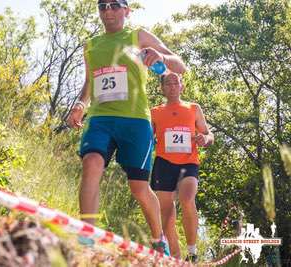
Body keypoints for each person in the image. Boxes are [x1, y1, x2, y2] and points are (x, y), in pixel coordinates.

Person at [66, 0, 186, 254]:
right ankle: (87, 241)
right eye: (102, 6)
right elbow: (89, 83)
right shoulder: (91, 45)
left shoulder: (137, 35)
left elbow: (180, 66)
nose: (108, 11)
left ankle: (158, 239)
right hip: (100, 118)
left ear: (126, 10)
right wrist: (79, 104)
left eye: (114, 5)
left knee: (139, 187)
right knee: (92, 163)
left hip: (135, 122)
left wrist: (161, 57)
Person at [150, 73, 214, 262]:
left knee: (187, 199)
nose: (171, 86)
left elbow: (209, 135)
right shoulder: (155, 112)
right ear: (162, 89)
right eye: (167, 84)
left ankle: (192, 251)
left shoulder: (193, 108)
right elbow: (146, 137)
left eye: (175, 83)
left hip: (188, 162)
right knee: (167, 210)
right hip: (164, 163)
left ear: (182, 86)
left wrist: (205, 139)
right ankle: (176, 257)